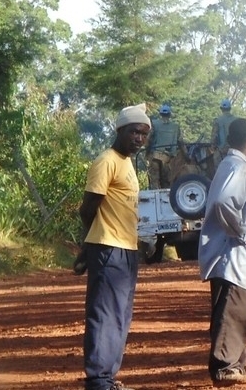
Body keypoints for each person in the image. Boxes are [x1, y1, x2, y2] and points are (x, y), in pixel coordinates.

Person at [78, 103, 151, 390]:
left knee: (121, 314)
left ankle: (108, 377)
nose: (139, 139)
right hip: (108, 247)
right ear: (120, 130)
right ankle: (98, 380)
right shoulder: (106, 160)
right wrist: (87, 246)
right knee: (105, 313)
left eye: (144, 134)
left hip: (125, 248)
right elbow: (88, 208)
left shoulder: (127, 163)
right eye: (134, 132)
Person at [198, 118, 246, 386]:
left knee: (236, 311)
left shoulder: (234, 166)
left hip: (235, 256)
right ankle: (226, 368)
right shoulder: (237, 167)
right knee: (232, 310)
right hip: (233, 255)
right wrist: (241, 231)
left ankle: (234, 366)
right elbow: (224, 203)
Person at [146, 104, 187, 189]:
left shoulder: (154, 124)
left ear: (160, 114)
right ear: (169, 114)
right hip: (169, 158)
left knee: (155, 180)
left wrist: (147, 152)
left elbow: (148, 139)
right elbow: (181, 142)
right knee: (167, 180)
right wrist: (187, 156)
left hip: (155, 156)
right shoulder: (176, 127)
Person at [209, 99, 237, 177]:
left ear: (221, 109)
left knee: (218, 171)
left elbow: (214, 135)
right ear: (230, 108)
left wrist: (212, 147)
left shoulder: (218, 120)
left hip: (221, 150)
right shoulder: (236, 120)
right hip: (235, 151)